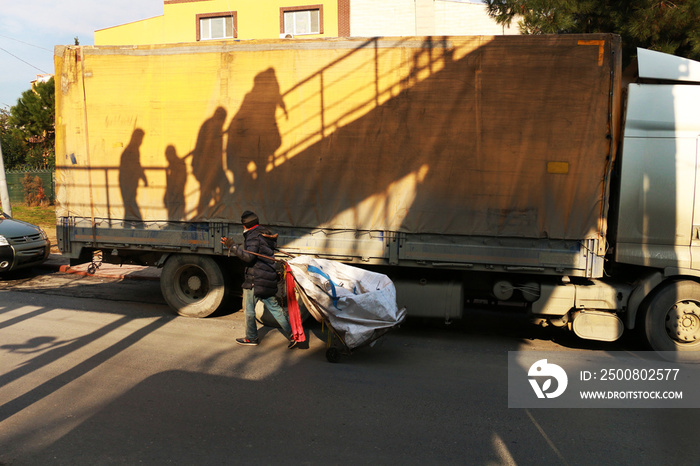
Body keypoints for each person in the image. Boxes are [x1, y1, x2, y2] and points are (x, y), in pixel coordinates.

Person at [221, 211, 297, 349]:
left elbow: (249, 257)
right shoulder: (264, 233)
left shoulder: (252, 236)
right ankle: (293, 334)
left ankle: (251, 337)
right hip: (267, 277)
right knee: (275, 309)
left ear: (245, 225)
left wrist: (232, 247)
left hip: (255, 279)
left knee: (249, 310)